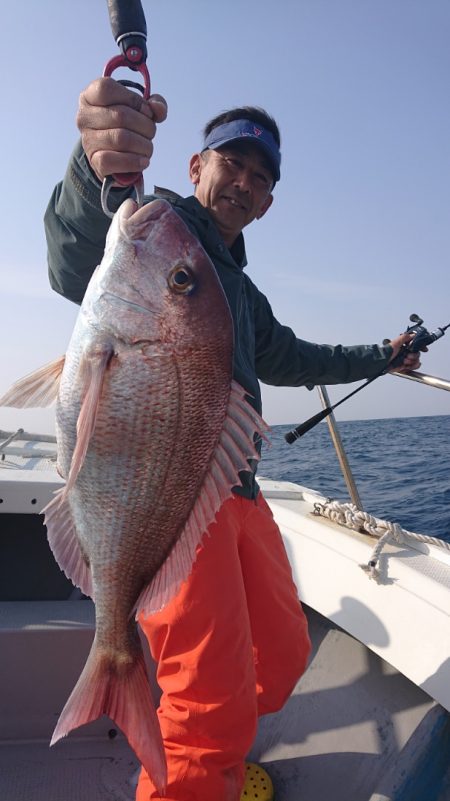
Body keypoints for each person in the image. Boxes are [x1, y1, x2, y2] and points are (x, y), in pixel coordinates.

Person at [44, 78, 421, 801]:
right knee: (205, 707)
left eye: (261, 177)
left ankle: (216, 751)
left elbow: (296, 357)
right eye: (232, 162)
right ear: (195, 166)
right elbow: (74, 253)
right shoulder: (150, 232)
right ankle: (195, 768)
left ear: (269, 203)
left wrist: (383, 353)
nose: (244, 183)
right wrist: (96, 157)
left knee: (277, 658)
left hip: (238, 492)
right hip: (172, 505)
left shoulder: (241, 291)